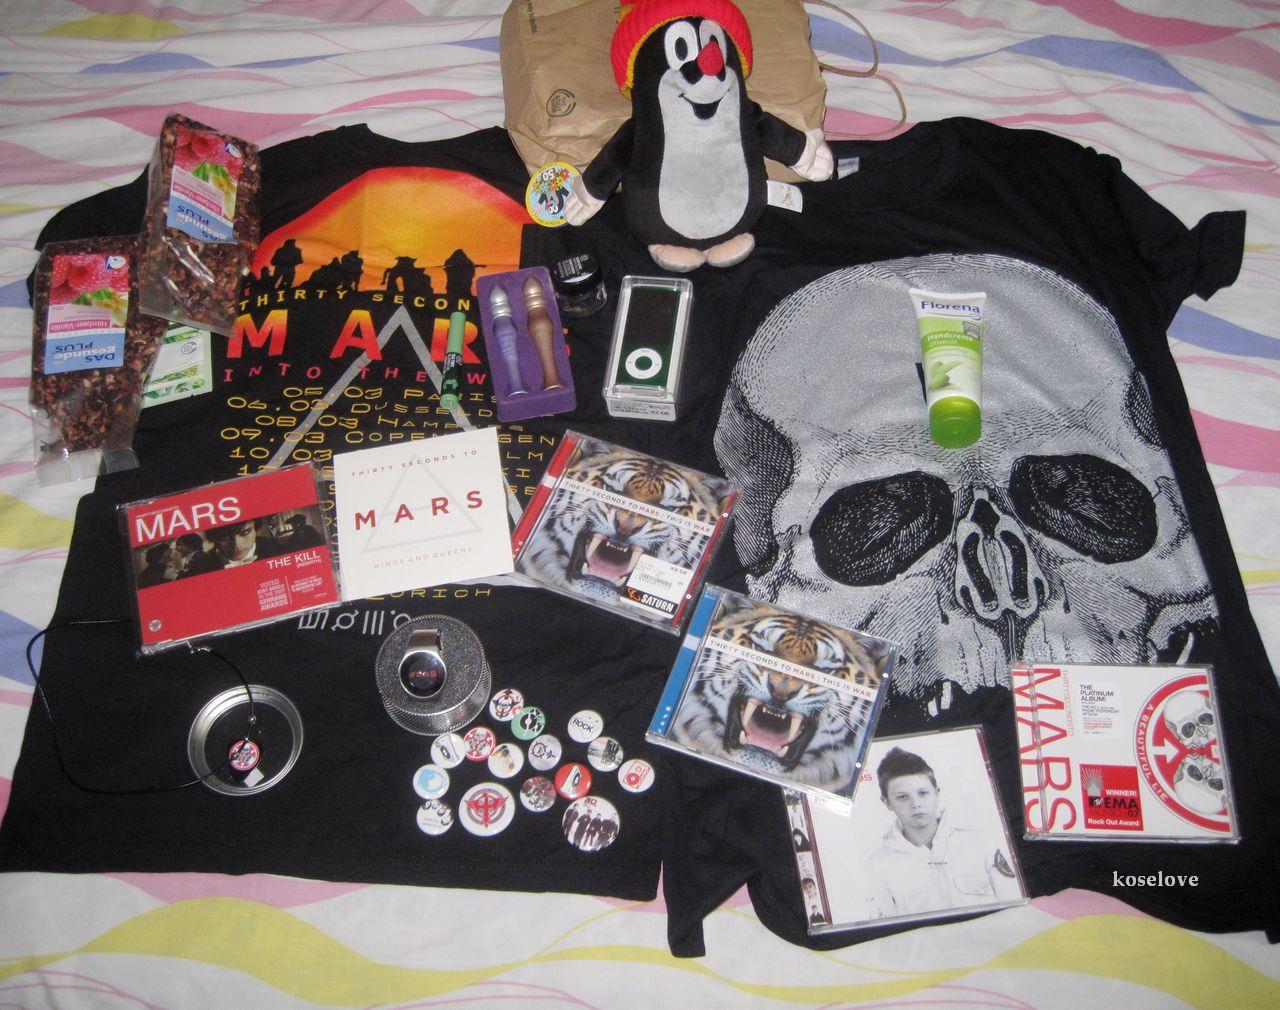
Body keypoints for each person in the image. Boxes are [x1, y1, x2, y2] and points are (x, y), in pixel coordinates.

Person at [865, 747, 1020, 920]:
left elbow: (1014, 908)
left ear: (937, 793)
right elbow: (887, 928)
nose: (915, 804)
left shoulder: (980, 841)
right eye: (902, 797)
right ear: (886, 802)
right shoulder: (878, 866)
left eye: (923, 793)